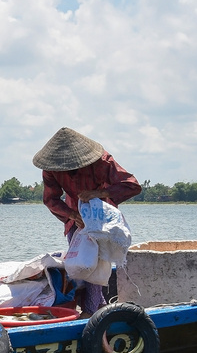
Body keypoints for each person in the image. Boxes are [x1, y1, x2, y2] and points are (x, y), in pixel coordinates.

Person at [34, 127, 141, 314]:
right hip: (74, 219)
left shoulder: (102, 161)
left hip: (101, 220)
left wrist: (100, 193)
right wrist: (72, 215)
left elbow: (131, 185)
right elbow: (51, 199)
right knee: (83, 264)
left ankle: (90, 311)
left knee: (96, 266)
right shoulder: (51, 169)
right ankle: (99, 309)